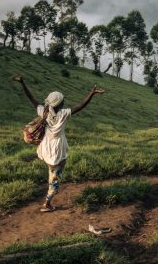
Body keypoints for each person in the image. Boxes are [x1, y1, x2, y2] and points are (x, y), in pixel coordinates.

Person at [13, 76, 105, 212]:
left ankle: (50, 190)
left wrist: (23, 83)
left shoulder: (43, 112)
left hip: (46, 147)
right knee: (55, 177)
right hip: (58, 149)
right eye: (63, 101)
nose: (64, 103)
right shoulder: (63, 114)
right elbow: (80, 106)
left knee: (52, 171)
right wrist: (91, 94)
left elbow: (32, 99)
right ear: (60, 104)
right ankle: (47, 203)